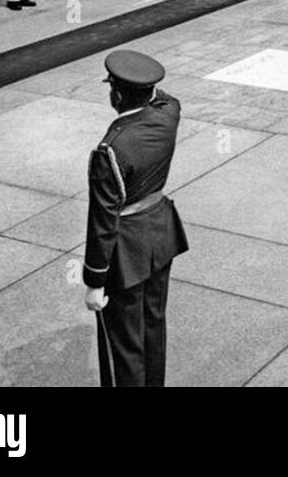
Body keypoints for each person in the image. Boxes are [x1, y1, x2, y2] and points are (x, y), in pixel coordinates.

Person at [83, 50, 189, 388]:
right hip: (161, 233)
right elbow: (165, 97)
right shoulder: (168, 114)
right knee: (152, 328)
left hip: (126, 251)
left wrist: (94, 281)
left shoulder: (111, 149)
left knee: (124, 345)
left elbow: (102, 220)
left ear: (116, 93)